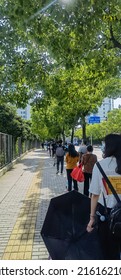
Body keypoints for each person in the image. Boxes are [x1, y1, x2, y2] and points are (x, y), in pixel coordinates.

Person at [87, 133, 121, 260]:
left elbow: (95, 195)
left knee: (108, 252)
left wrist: (91, 218)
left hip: (107, 216)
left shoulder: (100, 166)